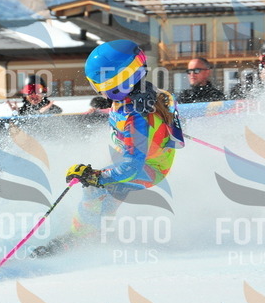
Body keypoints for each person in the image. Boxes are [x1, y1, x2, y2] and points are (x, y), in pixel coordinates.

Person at [31, 40, 184, 257]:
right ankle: (94, 233)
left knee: (96, 189)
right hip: (137, 159)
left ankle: (81, 236)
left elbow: (132, 167)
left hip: (148, 168)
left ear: (118, 82)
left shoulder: (135, 117)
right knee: (103, 194)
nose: (99, 91)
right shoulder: (142, 95)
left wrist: (95, 177)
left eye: (100, 85)